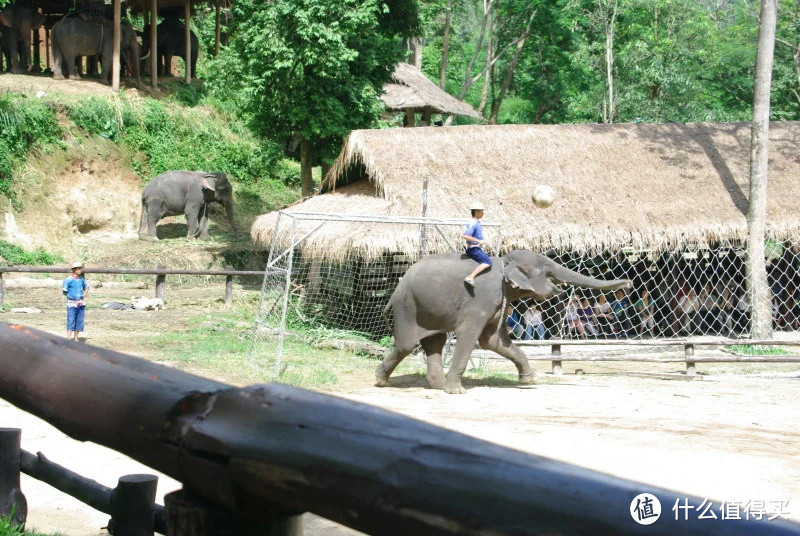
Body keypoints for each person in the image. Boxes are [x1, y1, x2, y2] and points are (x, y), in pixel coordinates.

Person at [463, 202, 492, 287]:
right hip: (473, 249)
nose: (483, 213)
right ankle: (470, 277)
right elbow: (465, 236)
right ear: (476, 212)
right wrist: (478, 241)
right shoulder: (473, 223)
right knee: (487, 262)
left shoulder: (476, 222)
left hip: (475, 248)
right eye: (481, 211)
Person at [63, 261, 89, 341]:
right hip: (71, 303)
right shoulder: (68, 280)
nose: (80, 270)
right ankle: (68, 337)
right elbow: (64, 291)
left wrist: (83, 295)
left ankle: (76, 338)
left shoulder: (81, 280)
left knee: (79, 319)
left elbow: (86, 287)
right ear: (74, 270)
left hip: (80, 302)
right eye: (79, 269)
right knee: (71, 319)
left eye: (81, 269)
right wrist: (71, 297)